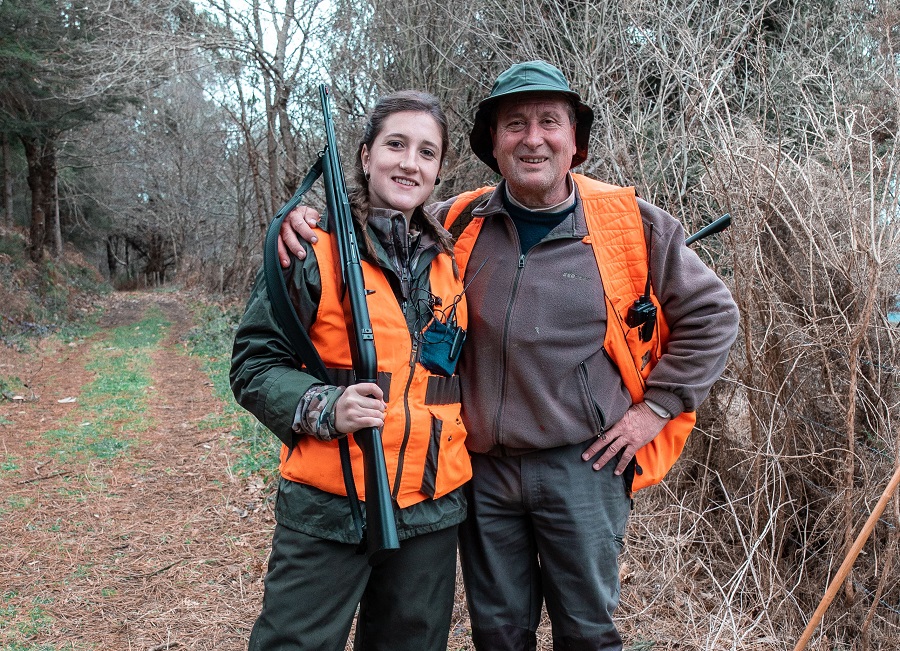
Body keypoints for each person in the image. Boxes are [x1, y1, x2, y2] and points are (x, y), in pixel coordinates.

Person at [279, 62, 740, 651]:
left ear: (576, 142)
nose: (533, 137)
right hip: (484, 473)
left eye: (551, 122)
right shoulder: (457, 221)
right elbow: (382, 218)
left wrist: (656, 409)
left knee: (589, 633)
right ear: (492, 145)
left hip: (586, 466)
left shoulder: (631, 223)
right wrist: (305, 219)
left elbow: (713, 316)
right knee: (499, 634)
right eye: (514, 124)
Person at [230, 90, 472, 651]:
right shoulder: (311, 247)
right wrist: (322, 406)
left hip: (430, 506)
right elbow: (253, 363)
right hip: (330, 503)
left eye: (427, 152)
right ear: (365, 157)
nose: (410, 162)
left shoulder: (452, 261)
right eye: (395, 145)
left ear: (439, 172)